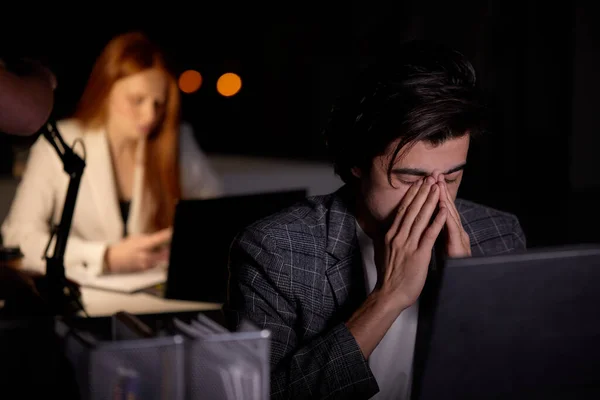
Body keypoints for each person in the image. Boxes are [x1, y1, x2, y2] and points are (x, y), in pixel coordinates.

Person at [225, 40, 526, 400]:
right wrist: (387, 298)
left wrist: (465, 294)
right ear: (357, 163)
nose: (433, 197)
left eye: (450, 178)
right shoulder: (276, 250)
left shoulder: (498, 235)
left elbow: (515, 382)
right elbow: (264, 395)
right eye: (410, 179)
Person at [1, 32, 223, 279]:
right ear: (106, 92)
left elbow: (215, 220)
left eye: (158, 103)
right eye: (137, 100)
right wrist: (104, 257)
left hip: (155, 292)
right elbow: (17, 236)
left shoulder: (175, 141)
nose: (150, 115)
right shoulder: (62, 142)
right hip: (89, 293)